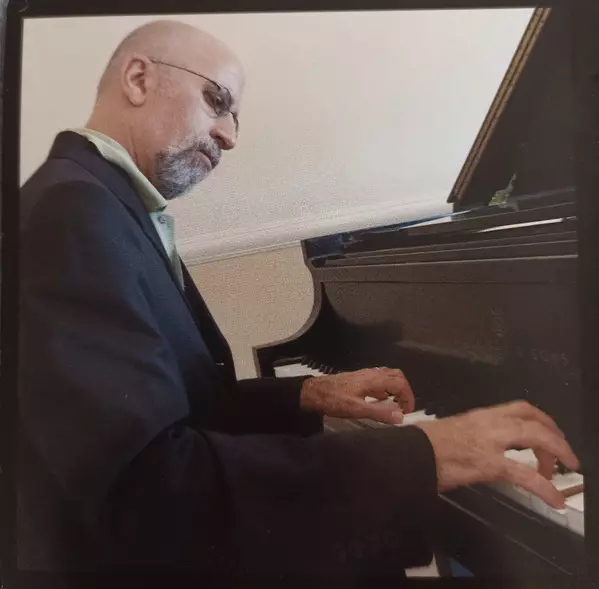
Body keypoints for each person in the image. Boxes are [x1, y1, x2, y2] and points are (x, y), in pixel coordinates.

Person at [17, 19, 579, 580]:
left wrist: (310, 394)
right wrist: (424, 454)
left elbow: (187, 403)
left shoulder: (106, 202)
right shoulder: (72, 214)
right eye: (217, 101)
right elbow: (147, 490)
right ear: (139, 79)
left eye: (234, 117)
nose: (229, 137)